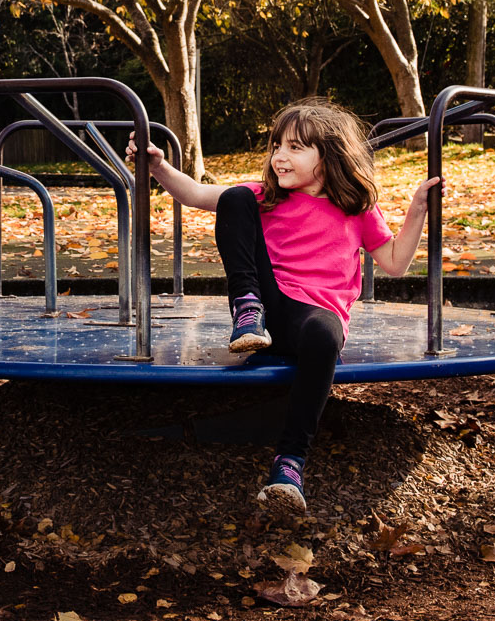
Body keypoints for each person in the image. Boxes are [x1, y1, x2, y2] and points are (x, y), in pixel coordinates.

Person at [127, 97, 442, 513]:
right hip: (265, 310)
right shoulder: (266, 197)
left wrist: (417, 211)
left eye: (295, 147)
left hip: (309, 321)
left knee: (325, 333)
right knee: (234, 198)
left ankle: (289, 463)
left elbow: (396, 263)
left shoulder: (356, 209)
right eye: (277, 146)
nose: (279, 156)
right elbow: (195, 193)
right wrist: (158, 167)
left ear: (327, 156)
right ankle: (246, 307)